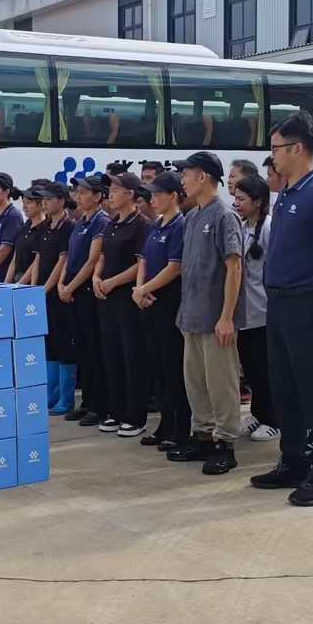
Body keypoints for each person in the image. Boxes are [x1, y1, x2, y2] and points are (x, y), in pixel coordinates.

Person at [250, 114, 313, 508]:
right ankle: (293, 462)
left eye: (276, 148)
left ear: (297, 148)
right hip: (280, 303)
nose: (272, 156)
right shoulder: (289, 193)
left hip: (308, 302)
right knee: (285, 388)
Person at [167, 150, 244, 475]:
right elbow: (190, 269)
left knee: (221, 384)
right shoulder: (193, 217)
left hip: (215, 320)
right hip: (192, 317)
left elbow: (234, 267)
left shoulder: (224, 215)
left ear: (203, 177)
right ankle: (201, 436)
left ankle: (225, 443)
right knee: (196, 383)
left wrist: (226, 317)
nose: (182, 179)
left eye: (187, 173)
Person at [92, 173, 152, 436]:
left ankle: (135, 416)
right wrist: (96, 277)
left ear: (130, 194)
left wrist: (112, 282)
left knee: (132, 356)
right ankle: (115, 411)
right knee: (112, 355)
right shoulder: (112, 224)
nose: (110, 194)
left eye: (115, 190)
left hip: (127, 299)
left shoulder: (141, 225)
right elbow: (102, 256)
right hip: (106, 298)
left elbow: (141, 264)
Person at [134, 171, 189, 450]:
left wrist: (144, 289)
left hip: (168, 305)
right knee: (157, 366)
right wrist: (139, 289)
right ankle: (165, 423)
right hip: (149, 303)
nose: (152, 199)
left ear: (174, 196)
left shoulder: (180, 225)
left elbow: (174, 267)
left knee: (173, 367)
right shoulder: (156, 225)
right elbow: (143, 259)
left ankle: (180, 427)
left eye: (158, 194)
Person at [57, 177, 111, 427]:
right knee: (82, 349)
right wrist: (62, 283)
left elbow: (92, 261)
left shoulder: (101, 222)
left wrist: (70, 286)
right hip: (71, 289)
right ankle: (87, 401)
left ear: (98, 196)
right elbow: (69, 257)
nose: (78, 196)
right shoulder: (80, 222)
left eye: (84, 192)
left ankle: (99, 405)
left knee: (93, 349)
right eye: (77, 192)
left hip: (86, 290)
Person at [232, 176, 278, 442]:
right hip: (244, 313)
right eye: (235, 198)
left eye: (242, 199)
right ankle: (259, 414)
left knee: (265, 370)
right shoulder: (241, 227)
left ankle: (274, 420)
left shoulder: (269, 228)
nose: (236, 203)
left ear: (258, 202)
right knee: (251, 369)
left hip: (263, 312)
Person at [34, 185, 77, 412]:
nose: (44, 203)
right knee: (49, 343)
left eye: (49, 199)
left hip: (56, 293)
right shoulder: (45, 226)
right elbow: (38, 259)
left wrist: (47, 288)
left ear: (61, 200)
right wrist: (34, 288)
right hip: (42, 291)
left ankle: (66, 398)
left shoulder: (68, 226)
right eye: (43, 199)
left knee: (63, 343)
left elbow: (63, 261)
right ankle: (50, 395)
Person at [8, 186, 44, 283]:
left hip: (31, 283)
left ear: (41, 204)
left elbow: (36, 262)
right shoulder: (24, 227)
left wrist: (20, 284)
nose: (24, 206)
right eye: (23, 202)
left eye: (28, 202)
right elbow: (15, 259)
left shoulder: (45, 229)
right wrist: (6, 284)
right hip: (17, 281)